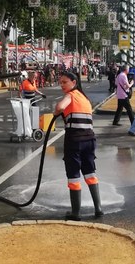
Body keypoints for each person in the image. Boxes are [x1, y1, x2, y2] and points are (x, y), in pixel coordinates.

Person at [53, 71, 102, 221]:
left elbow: (61, 107)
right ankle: (98, 208)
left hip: (74, 141)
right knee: (90, 172)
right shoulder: (84, 98)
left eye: (65, 82)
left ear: (74, 83)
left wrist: (56, 112)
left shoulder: (71, 95)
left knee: (73, 175)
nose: (62, 85)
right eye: (60, 82)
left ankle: (76, 213)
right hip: (90, 140)